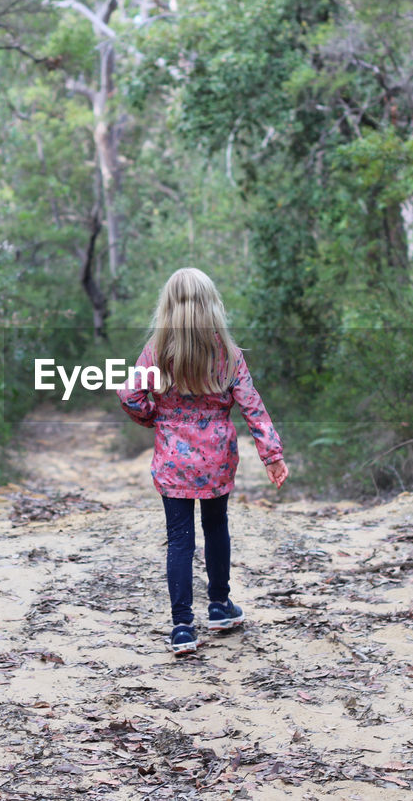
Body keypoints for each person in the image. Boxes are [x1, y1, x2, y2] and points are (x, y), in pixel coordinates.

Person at [118, 267, 289, 655]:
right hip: (216, 458)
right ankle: (219, 605)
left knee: (179, 540)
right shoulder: (227, 354)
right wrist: (272, 455)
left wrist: (152, 416)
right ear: (212, 304)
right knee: (216, 527)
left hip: (172, 460)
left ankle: (182, 628)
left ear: (169, 307)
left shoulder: (158, 351)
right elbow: (252, 407)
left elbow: (129, 394)